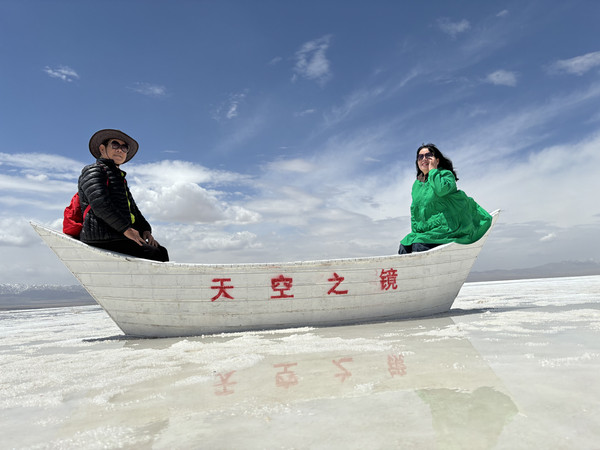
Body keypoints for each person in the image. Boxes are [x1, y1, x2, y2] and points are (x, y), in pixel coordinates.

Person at [78, 129, 169, 262]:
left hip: (118, 235)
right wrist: (126, 229)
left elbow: (133, 209)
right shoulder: (93, 171)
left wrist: (145, 230)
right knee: (154, 254)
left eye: (124, 147)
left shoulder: (120, 178)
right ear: (102, 149)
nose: (120, 150)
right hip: (102, 237)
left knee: (161, 251)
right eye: (115, 145)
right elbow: (100, 205)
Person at [398, 143, 492, 254]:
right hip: (427, 231)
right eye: (420, 156)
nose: (424, 158)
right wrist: (416, 232)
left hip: (446, 227)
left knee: (419, 244)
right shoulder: (417, 185)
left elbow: (441, 190)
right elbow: (415, 210)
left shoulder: (446, 175)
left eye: (428, 155)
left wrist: (433, 171)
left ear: (437, 160)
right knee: (405, 244)